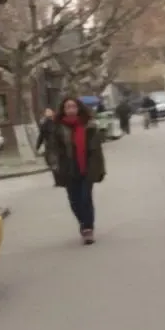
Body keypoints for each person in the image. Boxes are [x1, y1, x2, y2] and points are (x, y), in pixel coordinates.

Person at [53, 97, 106, 244]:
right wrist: (54, 164)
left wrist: (97, 168)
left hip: (87, 168)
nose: (71, 110)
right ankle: (83, 223)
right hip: (68, 170)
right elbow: (53, 149)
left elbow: (96, 151)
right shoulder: (58, 128)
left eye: (73, 107)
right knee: (74, 201)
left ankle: (88, 228)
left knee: (85, 198)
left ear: (79, 108)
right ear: (63, 110)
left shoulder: (89, 126)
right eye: (67, 107)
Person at [35, 106, 60, 185]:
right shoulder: (45, 124)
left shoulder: (58, 122)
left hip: (58, 146)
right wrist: (37, 146)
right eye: (47, 112)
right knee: (53, 163)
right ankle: (57, 180)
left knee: (56, 163)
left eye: (49, 111)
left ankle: (60, 179)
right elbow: (41, 136)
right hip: (50, 147)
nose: (48, 113)